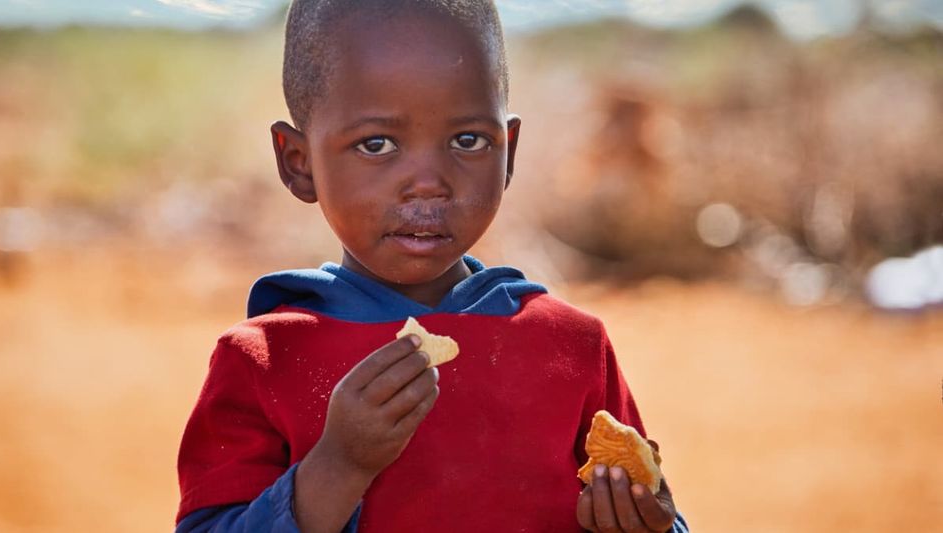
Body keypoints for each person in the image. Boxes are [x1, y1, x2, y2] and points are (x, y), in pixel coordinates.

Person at [176, 1, 690, 531]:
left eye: (468, 141)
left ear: (508, 152)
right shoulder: (267, 359)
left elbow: (657, 510)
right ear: (298, 163)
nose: (428, 182)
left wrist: (645, 521)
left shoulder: (572, 346)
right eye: (376, 144)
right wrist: (338, 466)